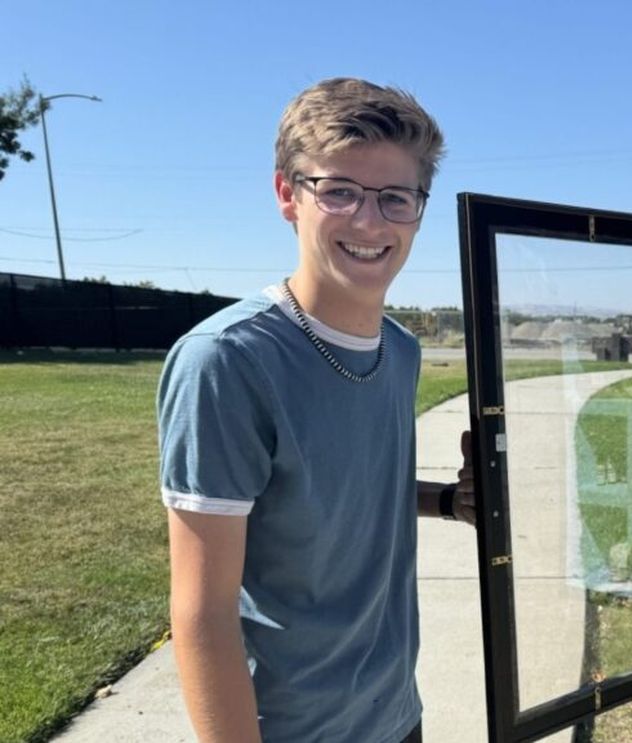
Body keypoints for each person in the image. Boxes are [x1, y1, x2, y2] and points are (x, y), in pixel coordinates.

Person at [157, 77, 473, 743]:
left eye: (395, 198)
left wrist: (447, 501)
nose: (369, 220)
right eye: (339, 191)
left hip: (395, 713)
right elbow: (202, 613)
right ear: (286, 196)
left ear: (420, 208)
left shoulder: (401, 350)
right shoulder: (227, 361)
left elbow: (343, 486)